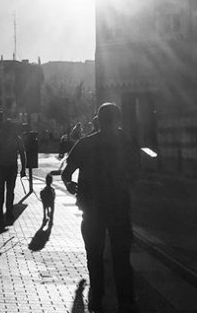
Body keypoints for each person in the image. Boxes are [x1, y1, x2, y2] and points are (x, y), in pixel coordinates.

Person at [62, 103, 139, 313]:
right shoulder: (126, 143)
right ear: (118, 119)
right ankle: (125, 300)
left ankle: (97, 296)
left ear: (99, 119)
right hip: (118, 207)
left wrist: (70, 185)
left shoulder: (86, 144)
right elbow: (136, 172)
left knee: (94, 255)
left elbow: (66, 172)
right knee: (121, 256)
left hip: (92, 208)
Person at [0, 122, 26, 224]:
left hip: (3, 167)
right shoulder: (16, 139)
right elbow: (22, 154)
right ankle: (7, 212)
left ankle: (1, 213)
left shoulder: (0, 138)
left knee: (1, 191)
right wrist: (23, 169)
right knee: (9, 191)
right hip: (8, 167)